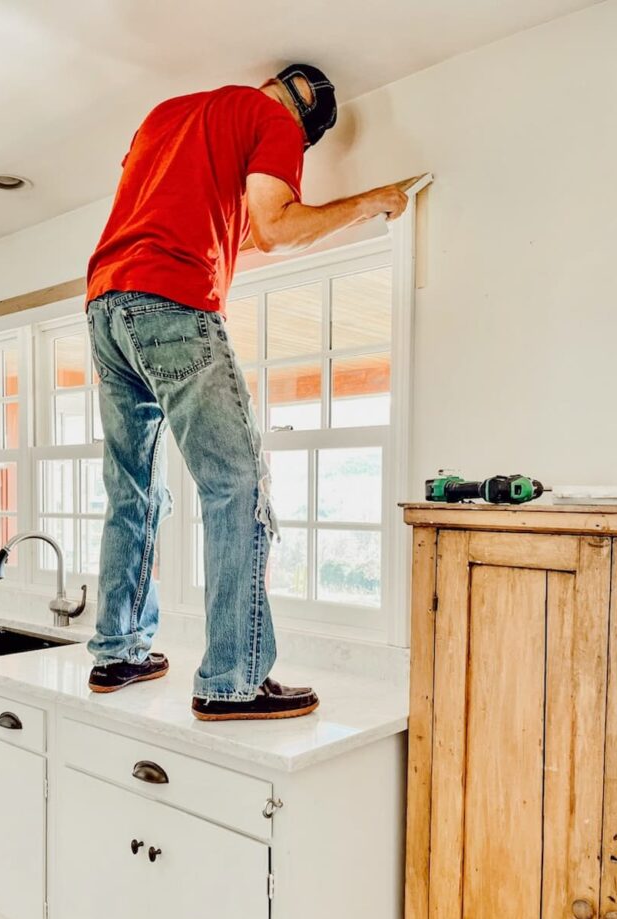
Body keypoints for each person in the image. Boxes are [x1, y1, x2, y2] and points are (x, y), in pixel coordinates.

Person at [85, 63, 409, 721]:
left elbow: (195, 214)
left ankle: (118, 652)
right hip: (171, 304)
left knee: (131, 489)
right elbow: (275, 226)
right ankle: (233, 677)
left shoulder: (165, 114)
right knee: (238, 488)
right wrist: (371, 202)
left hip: (104, 309)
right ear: (306, 112)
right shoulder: (273, 119)